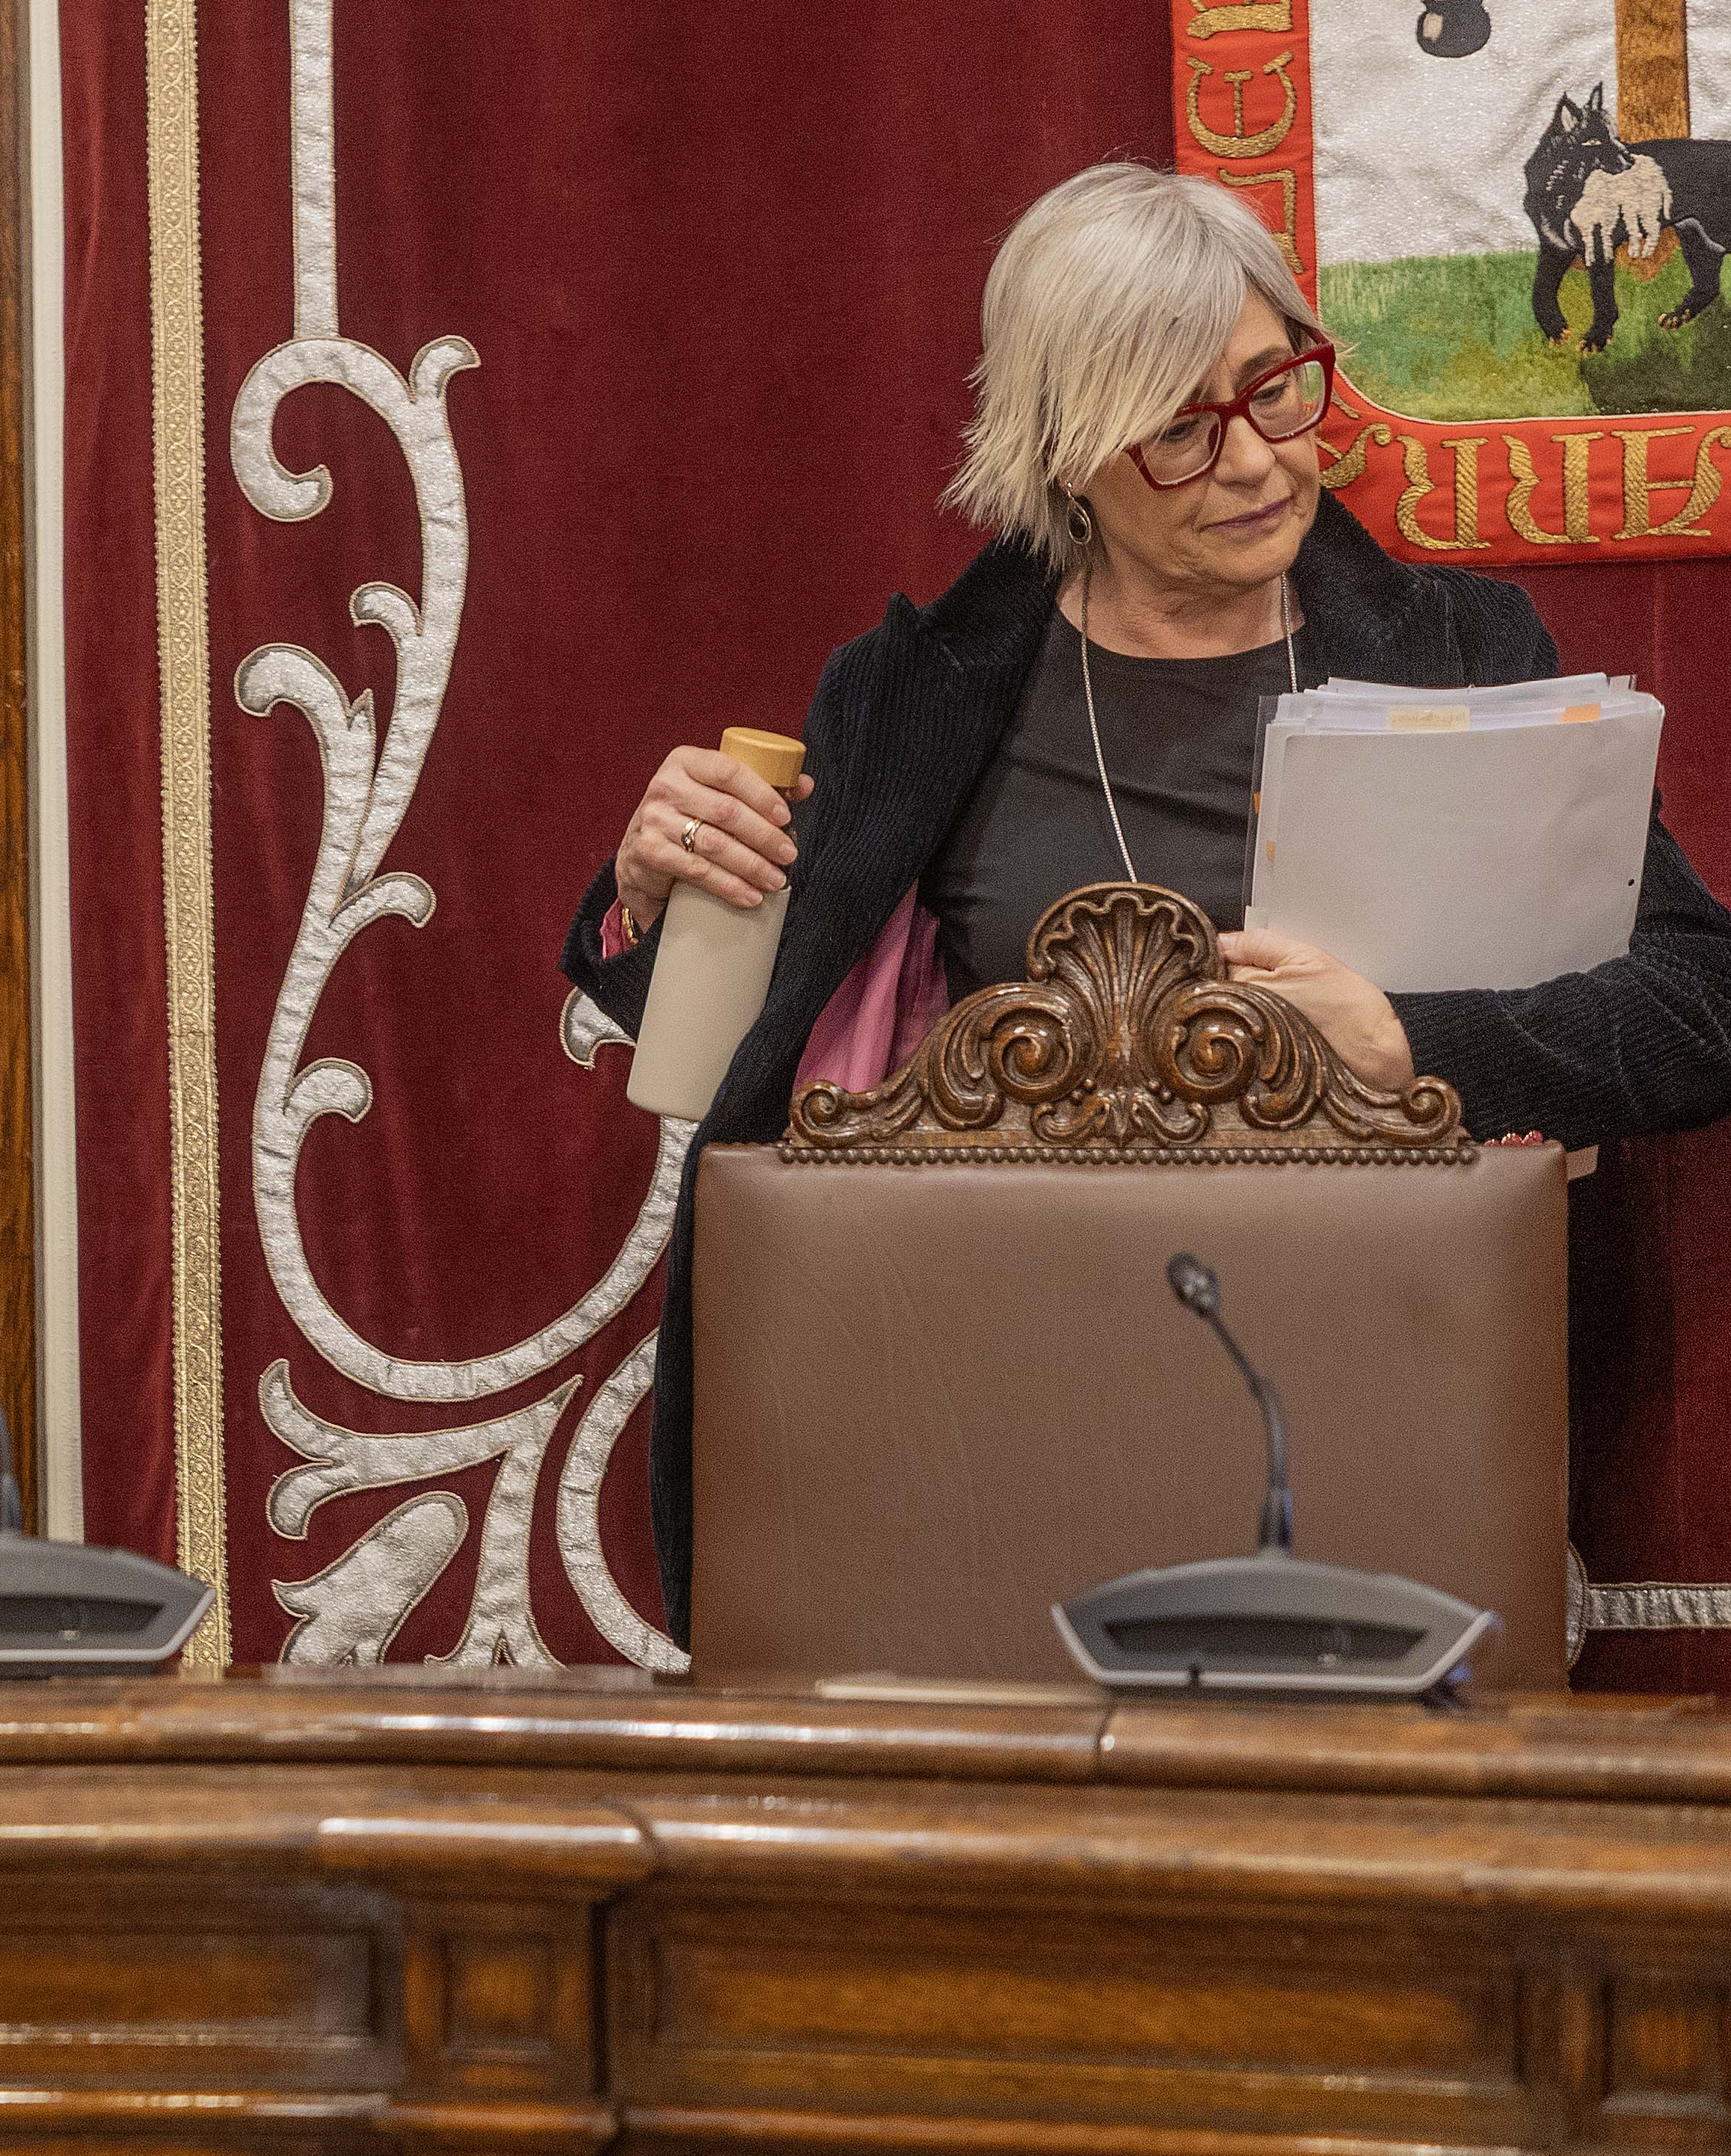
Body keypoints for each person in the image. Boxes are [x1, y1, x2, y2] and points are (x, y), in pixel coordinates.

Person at [563, 164, 1731, 1647]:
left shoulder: (1459, 649)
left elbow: (1703, 1001)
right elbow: (732, 1062)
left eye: (1276, 388)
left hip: (1379, 1414)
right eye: (1180, 427)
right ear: (1067, 454)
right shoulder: (918, 695)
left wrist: (1414, 1045)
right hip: (986, 1420)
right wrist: (656, 897)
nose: (1252, 461)